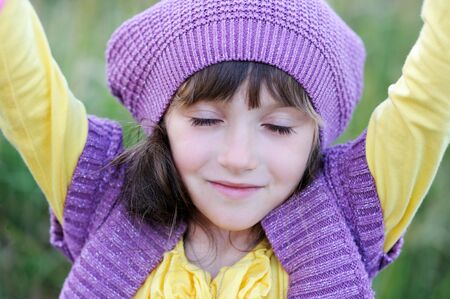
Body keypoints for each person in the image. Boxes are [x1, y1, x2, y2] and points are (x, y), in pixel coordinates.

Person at [0, 0, 448, 297]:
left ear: (317, 135)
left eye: (278, 127)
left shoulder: (354, 206)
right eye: (206, 121)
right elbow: (22, 81)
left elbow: (430, 98)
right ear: (161, 123)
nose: (238, 158)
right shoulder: (102, 186)